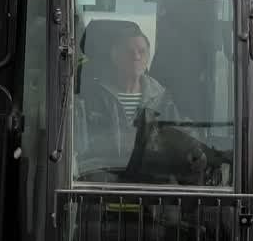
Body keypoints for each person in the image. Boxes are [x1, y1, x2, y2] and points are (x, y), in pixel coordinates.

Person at [74, 20, 183, 174]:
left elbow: (178, 143)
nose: (136, 57)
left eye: (142, 51)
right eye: (128, 52)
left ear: (148, 57)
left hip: (150, 183)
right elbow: (79, 150)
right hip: (99, 180)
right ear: (114, 56)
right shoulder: (89, 97)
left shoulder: (163, 100)